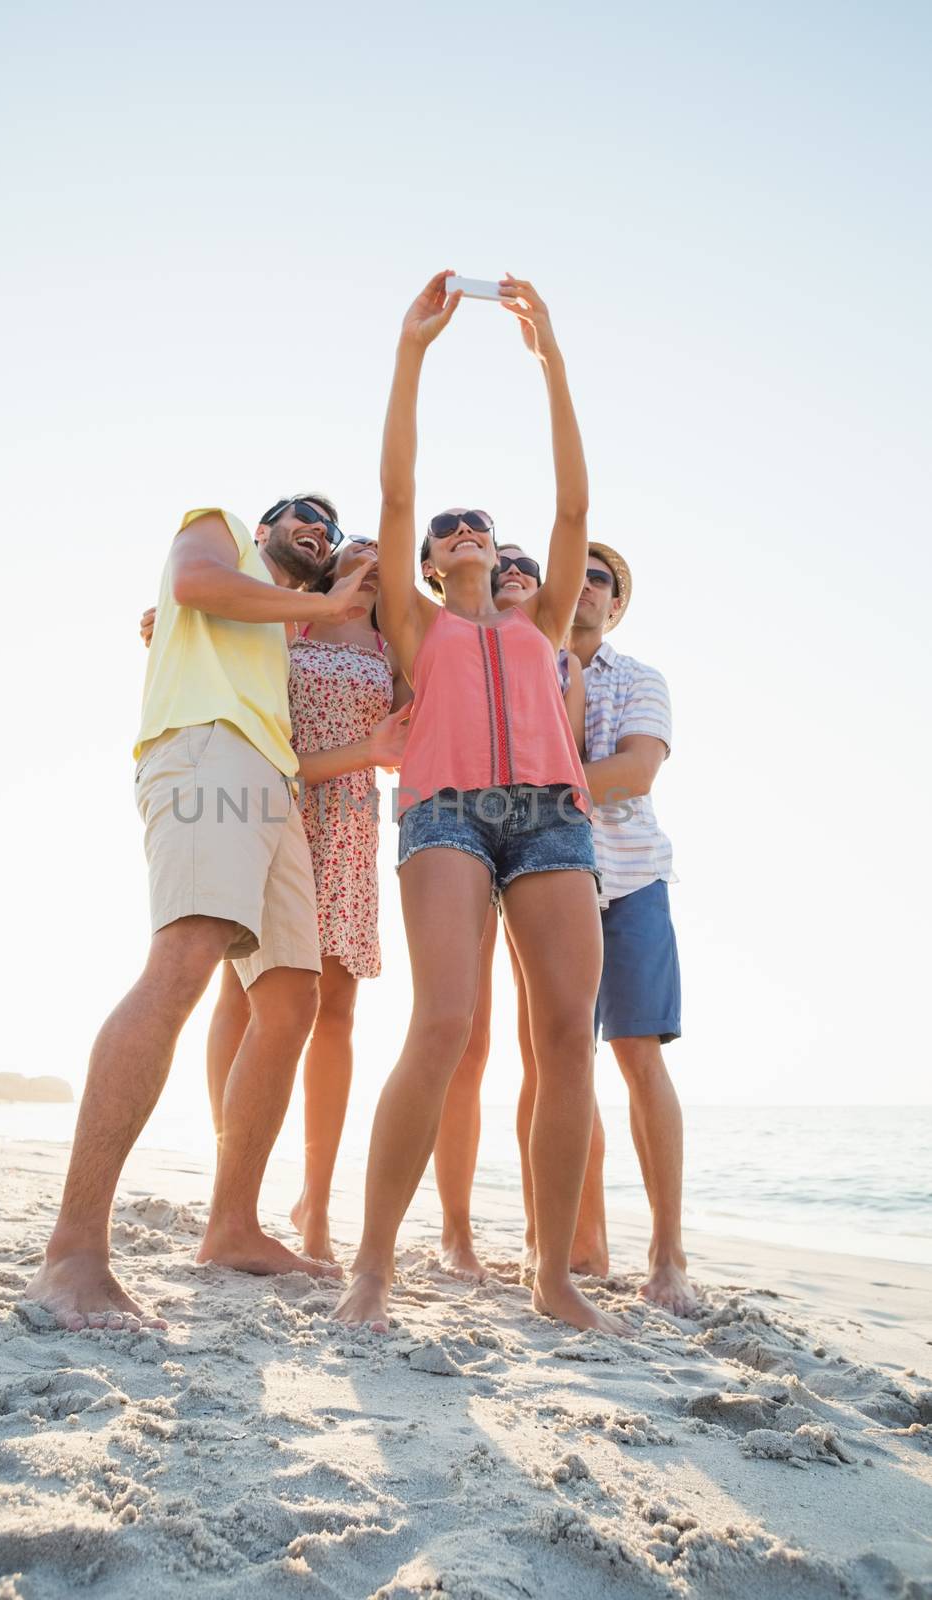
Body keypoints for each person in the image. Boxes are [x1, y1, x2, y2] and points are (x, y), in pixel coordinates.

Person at [334, 270, 627, 1335]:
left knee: (563, 1038)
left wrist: (549, 359)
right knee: (446, 1022)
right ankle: (371, 1268)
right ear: (425, 560)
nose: (463, 532)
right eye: (447, 530)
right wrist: (411, 353)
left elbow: (572, 508)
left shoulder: (539, 623)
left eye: (481, 529)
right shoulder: (419, 629)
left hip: (551, 817)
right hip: (445, 814)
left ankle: (551, 1276)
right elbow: (397, 492)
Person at [26, 495, 396, 1331]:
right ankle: (73, 1254)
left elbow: (204, 619)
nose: (318, 527)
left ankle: (231, 1225)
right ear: (264, 528)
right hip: (207, 747)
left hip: (273, 776)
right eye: (302, 514)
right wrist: (320, 601)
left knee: (293, 993)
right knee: (185, 961)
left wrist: (330, 608)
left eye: (329, 530)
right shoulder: (217, 526)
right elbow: (195, 585)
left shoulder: (282, 626)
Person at [202, 536, 413, 1265]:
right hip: (273, 804)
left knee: (336, 1010)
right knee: (244, 996)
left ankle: (315, 1202)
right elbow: (216, 647)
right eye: (357, 541)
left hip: (349, 823)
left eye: (385, 547)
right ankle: (234, 1193)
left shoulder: (396, 646)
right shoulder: (287, 620)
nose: (370, 547)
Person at [517, 542, 695, 1315]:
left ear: (614, 606)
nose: (585, 588)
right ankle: (571, 1244)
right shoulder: (520, 663)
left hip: (630, 880)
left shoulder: (639, 679)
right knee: (554, 1064)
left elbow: (634, 773)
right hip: (544, 882)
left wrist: (538, 787)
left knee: (638, 1057)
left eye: (601, 581)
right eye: (575, 575)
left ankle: (666, 1256)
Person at [430, 542, 586, 1282]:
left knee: (553, 1044)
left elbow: (575, 753)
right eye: (506, 562)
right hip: (459, 818)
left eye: (526, 561)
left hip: (551, 837)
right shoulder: (448, 630)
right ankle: (455, 1232)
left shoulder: (556, 652)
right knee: (466, 1036)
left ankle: (541, 1244)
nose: (514, 568)